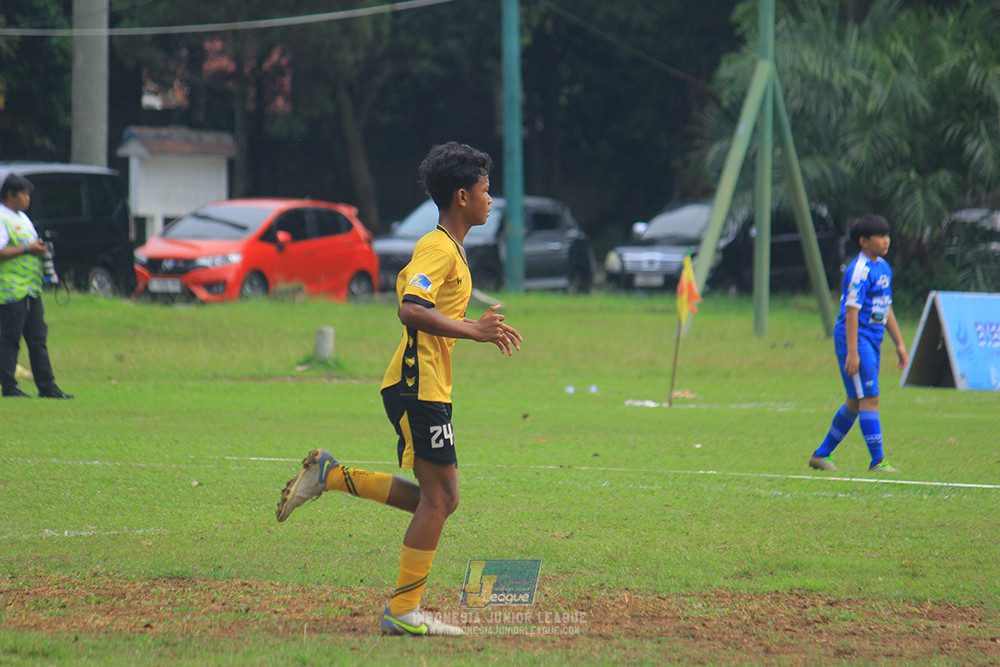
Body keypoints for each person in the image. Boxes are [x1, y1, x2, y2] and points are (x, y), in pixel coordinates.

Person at [275, 142, 522, 636]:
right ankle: (402, 612)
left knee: (439, 500)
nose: (490, 199)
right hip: (417, 386)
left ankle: (331, 474)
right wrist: (474, 330)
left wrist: (471, 324)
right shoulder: (436, 247)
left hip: (423, 385)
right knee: (440, 499)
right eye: (485, 190)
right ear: (461, 195)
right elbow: (411, 308)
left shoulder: (449, 247)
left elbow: (428, 312)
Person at [809, 213, 907, 473]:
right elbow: (851, 312)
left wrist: (898, 343)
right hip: (856, 340)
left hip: (872, 340)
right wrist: (853, 353)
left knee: (855, 402)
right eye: (881, 236)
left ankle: (821, 455)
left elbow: (885, 308)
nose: (887, 240)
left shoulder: (883, 267)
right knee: (870, 399)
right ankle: (877, 461)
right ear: (864, 241)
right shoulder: (858, 270)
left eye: (887, 235)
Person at [0, 173, 73, 399]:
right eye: (25, 194)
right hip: (10, 290)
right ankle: (9, 387)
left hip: (31, 289)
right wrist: (28, 249)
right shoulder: (2, 217)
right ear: (11, 194)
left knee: (38, 339)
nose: (28, 199)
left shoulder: (22, 218)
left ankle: (47, 387)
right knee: (9, 340)